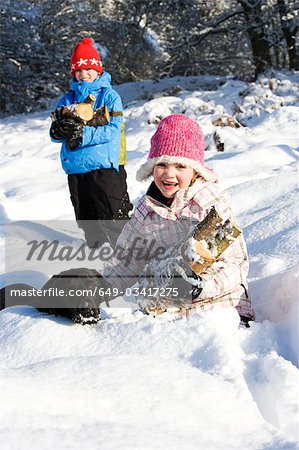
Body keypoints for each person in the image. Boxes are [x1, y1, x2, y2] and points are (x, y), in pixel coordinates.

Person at [101, 114, 255, 325]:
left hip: (219, 305)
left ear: (195, 170)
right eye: (162, 164)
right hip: (165, 310)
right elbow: (126, 260)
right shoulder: (147, 210)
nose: (169, 174)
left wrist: (201, 287)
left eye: (181, 166)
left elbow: (235, 263)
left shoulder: (209, 203)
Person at [50, 37, 132, 248]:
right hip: (75, 168)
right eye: (79, 70)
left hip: (102, 166)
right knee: (86, 216)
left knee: (112, 213)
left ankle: (124, 252)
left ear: (98, 70)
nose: (84, 74)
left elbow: (113, 130)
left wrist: (82, 135)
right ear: (73, 73)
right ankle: (93, 253)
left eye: (88, 69)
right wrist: (57, 131)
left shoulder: (109, 97)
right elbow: (56, 133)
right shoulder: (67, 100)